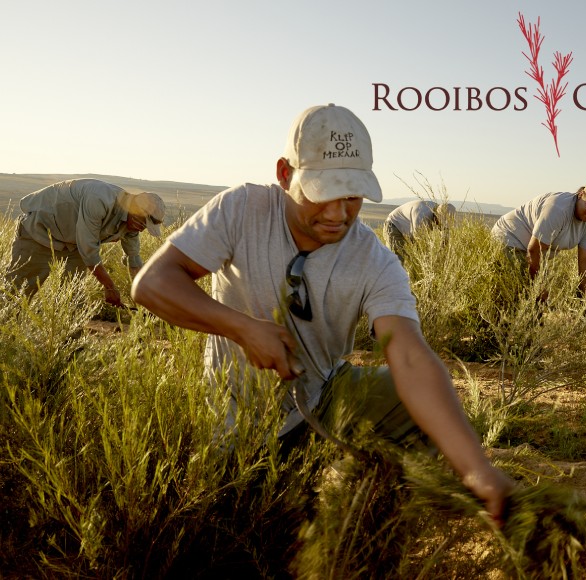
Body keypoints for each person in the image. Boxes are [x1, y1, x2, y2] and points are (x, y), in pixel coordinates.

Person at [131, 103, 514, 523]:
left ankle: (371, 516)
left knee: (407, 402)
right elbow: (152, 284)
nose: (337, 215)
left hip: (320, 395)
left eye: (351, 196)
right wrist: (241, 328)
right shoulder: (241, 209)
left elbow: (408, 355)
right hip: (235, 411)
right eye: (321, 194)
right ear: (284, 174)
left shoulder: (376, 261)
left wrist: (475, 468)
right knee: (237, 523)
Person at [6, 178, 165, 307]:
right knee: (18, 291)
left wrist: (146, 296)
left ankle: (70, 344)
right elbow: (88, 251)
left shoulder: (132, 226)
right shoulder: (99, 199)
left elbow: (134, 259)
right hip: (39, 232)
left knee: (73, 297)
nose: (142, 229)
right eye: (143, 223)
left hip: (73, 244)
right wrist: (109, 287)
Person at [490, 180, 586, 298]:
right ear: (581, 195)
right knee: (517, 294)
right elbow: (534, 250)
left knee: (535, 299)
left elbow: (585, 261)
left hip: (533, 251)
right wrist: (539, 287)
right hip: (510, 238)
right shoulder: (558, 209)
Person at [383, 199, 456, 261]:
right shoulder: (421, 216)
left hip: (408, 228)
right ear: (436, 216)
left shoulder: (443, 211)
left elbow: (445, 238)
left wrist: (441, 253)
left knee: (411, 260)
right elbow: (420, 244)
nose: (440, 226)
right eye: (441, 222)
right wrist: (430, 259)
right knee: (396, 260)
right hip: (394, 224)